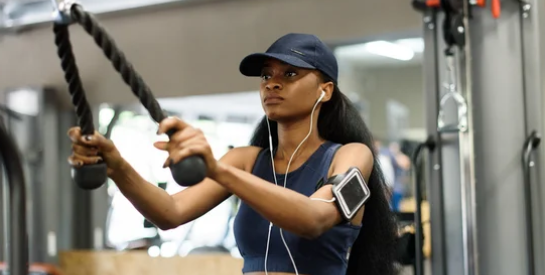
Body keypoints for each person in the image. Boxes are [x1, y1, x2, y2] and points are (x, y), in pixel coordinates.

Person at [68, 33, 398, 275]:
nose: (272, 84)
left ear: (325, 91)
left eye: (290, 74)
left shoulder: (352, 156)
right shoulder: (245, 160)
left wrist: (215, 168)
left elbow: (314, 219)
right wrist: (116, 164)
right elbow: (169, 213)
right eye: (267, 75)